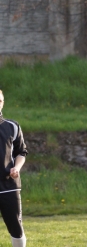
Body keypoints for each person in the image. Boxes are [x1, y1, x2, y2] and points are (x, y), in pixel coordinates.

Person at [0, 90, 28, 247]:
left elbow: (21, 152)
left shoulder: (12, 126)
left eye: (0, 101)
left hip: (8, 186)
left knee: (16, 228)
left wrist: (16, 167)